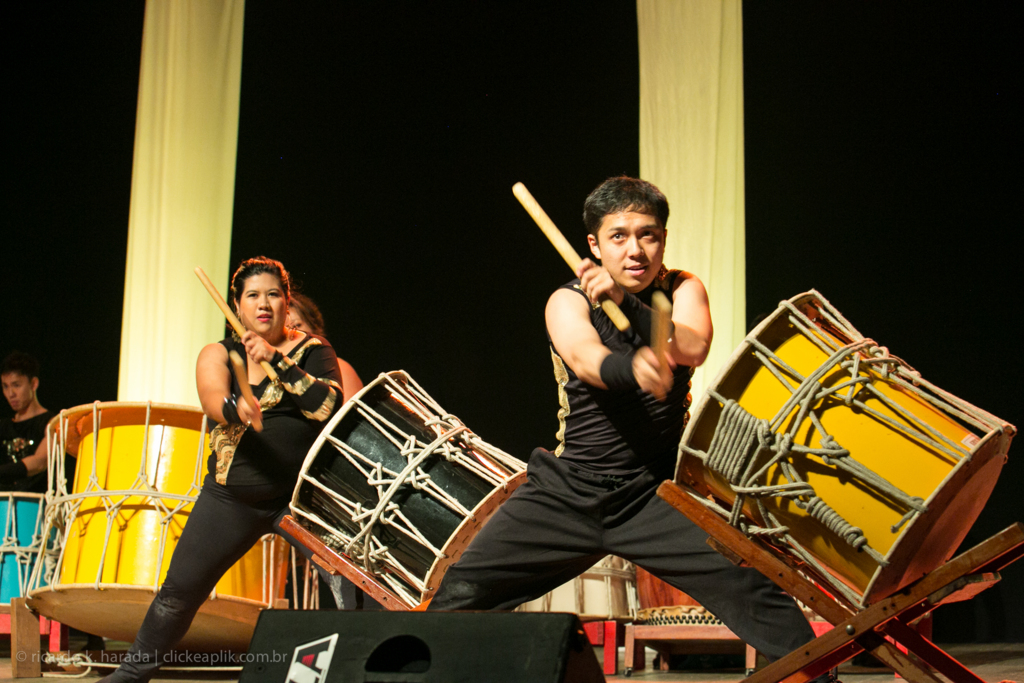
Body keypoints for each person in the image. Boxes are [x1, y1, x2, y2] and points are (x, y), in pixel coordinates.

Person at [428, 177, 822, 672]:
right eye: (619, 236)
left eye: (648, 235)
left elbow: (692, 346)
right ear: (593, 244)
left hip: (655, 496)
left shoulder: (680, 287)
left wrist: (630, 304)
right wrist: (632, 367)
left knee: (757, 591)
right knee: (460, 597)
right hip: (569, 492)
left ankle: (813, 678)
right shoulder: (567, 300)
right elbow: (587, 358)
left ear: (662, 239)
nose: (635, 249)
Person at [100, 256, 347, 682]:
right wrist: (238, 407)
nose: (263, 303)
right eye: (253, 295)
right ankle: (131, 675)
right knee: (179, 593)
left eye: (273, 294)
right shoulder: (219, 352)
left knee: (351, 583)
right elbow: (213, 399)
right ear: (237, 304)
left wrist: (277, 359)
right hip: (232, 497)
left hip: (302, 500)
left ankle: (367, 668)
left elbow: (327, 406)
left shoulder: (314, 351)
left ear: (287, 303)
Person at [287, 292, 364, 402]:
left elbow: (351, 417)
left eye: (297, 325)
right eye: (285, 329)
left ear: (313, 326)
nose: (293, 333)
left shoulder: (338, 368)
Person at [1, 351, 53, 492]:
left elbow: (40, 462)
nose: (11, 393)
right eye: (5, 386)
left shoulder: (53, 423)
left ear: (33, 384)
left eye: (16, 385)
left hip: (37, 507)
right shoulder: (3, 427)